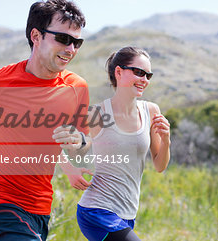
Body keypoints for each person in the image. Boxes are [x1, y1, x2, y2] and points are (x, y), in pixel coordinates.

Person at [0, 0, 93, 240]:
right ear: (36, 36)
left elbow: (81, 151)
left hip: (40, 210)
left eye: (77, 42)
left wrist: (79, 143)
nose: (71, 49)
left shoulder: (77, 87)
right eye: (64, 39)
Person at [52, 46, 171, 241]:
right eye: (139, 72)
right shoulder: (96, 114)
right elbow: (48, 135)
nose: (144, 80)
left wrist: (166, 139)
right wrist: (69, 169)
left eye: (148, 75)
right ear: (118, 72)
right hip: (96, 212)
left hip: (127, 214)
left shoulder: (151, 111)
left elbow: (159, 165)